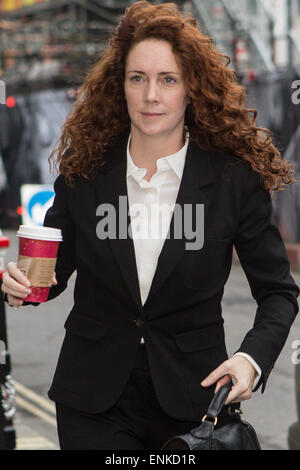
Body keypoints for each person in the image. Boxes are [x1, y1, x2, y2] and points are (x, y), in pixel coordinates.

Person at [1, 0, 299, 450]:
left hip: (193, 403)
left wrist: (250, 359)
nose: (151, 95)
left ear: (191, 88)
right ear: (119, 86)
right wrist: (21, 283)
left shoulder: (230, 180)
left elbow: (278, 292)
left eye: (168, 79)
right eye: (137, 78)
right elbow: (53, 271)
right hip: (92, 399)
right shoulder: (85, 172)